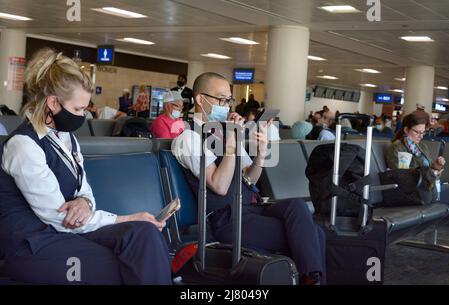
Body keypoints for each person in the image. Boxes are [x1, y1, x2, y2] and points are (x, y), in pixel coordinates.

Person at [0, 49, 171, 284]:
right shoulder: (23, 145)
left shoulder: (66, 138)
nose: (82, 116)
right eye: (78, 109)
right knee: (125, 262)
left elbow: (85, 189)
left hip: (69, 233)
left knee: (145, 234)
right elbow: (57, 216)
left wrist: (84, 202)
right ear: (53, 103)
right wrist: (125, 218)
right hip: (33, 245)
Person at [172, 72, 326, 284]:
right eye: (221, 100)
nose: (226, 106)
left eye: (229, 100)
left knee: (297, 207)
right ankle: (312, 280)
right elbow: (219, 185)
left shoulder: (225, 133)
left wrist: (261, 153)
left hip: (250, 207)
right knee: (313, 235)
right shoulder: (189, 138)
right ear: (200, 99)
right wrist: (233, 142)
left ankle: (311, 279)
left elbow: (249, 179)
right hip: (227, 219)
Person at [385, 112, 445, 197]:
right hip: (410, 194)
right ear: (406, 130)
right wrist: (431, 174)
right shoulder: (397, 148)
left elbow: (429, 168)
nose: (421, 136)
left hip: (426, 190)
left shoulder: (421, 146)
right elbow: (403, 177)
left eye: (423, 132)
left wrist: (436, 166)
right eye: (417, 132)